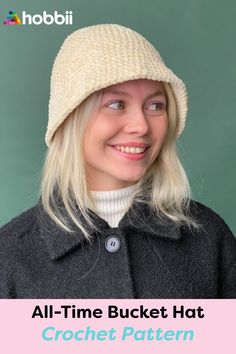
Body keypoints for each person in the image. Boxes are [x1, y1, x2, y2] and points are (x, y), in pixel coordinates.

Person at [0, 24, 235, 298]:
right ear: (70, 118)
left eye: (156, 106)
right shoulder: (10, 255)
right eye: (116, 105)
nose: (142, 126)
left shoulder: (209, 237)